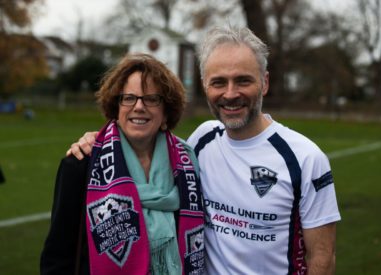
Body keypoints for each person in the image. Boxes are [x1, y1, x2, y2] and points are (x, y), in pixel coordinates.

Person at [68, 26, 341, 274]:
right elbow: (147, 141)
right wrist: (99, 141)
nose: (230, 93)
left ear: (265, 82)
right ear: (205, 86)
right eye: (219, 82)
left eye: (243, 81)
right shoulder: (200, 141)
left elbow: (322, 257)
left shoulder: (306, 158)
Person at [41, 53, 205, 275]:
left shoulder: (188, 164)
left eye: (151, 98)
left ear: (166, 112)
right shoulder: (81, 164)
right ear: (115, 108)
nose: (139, 106)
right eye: (128, 98)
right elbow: (57, 257)